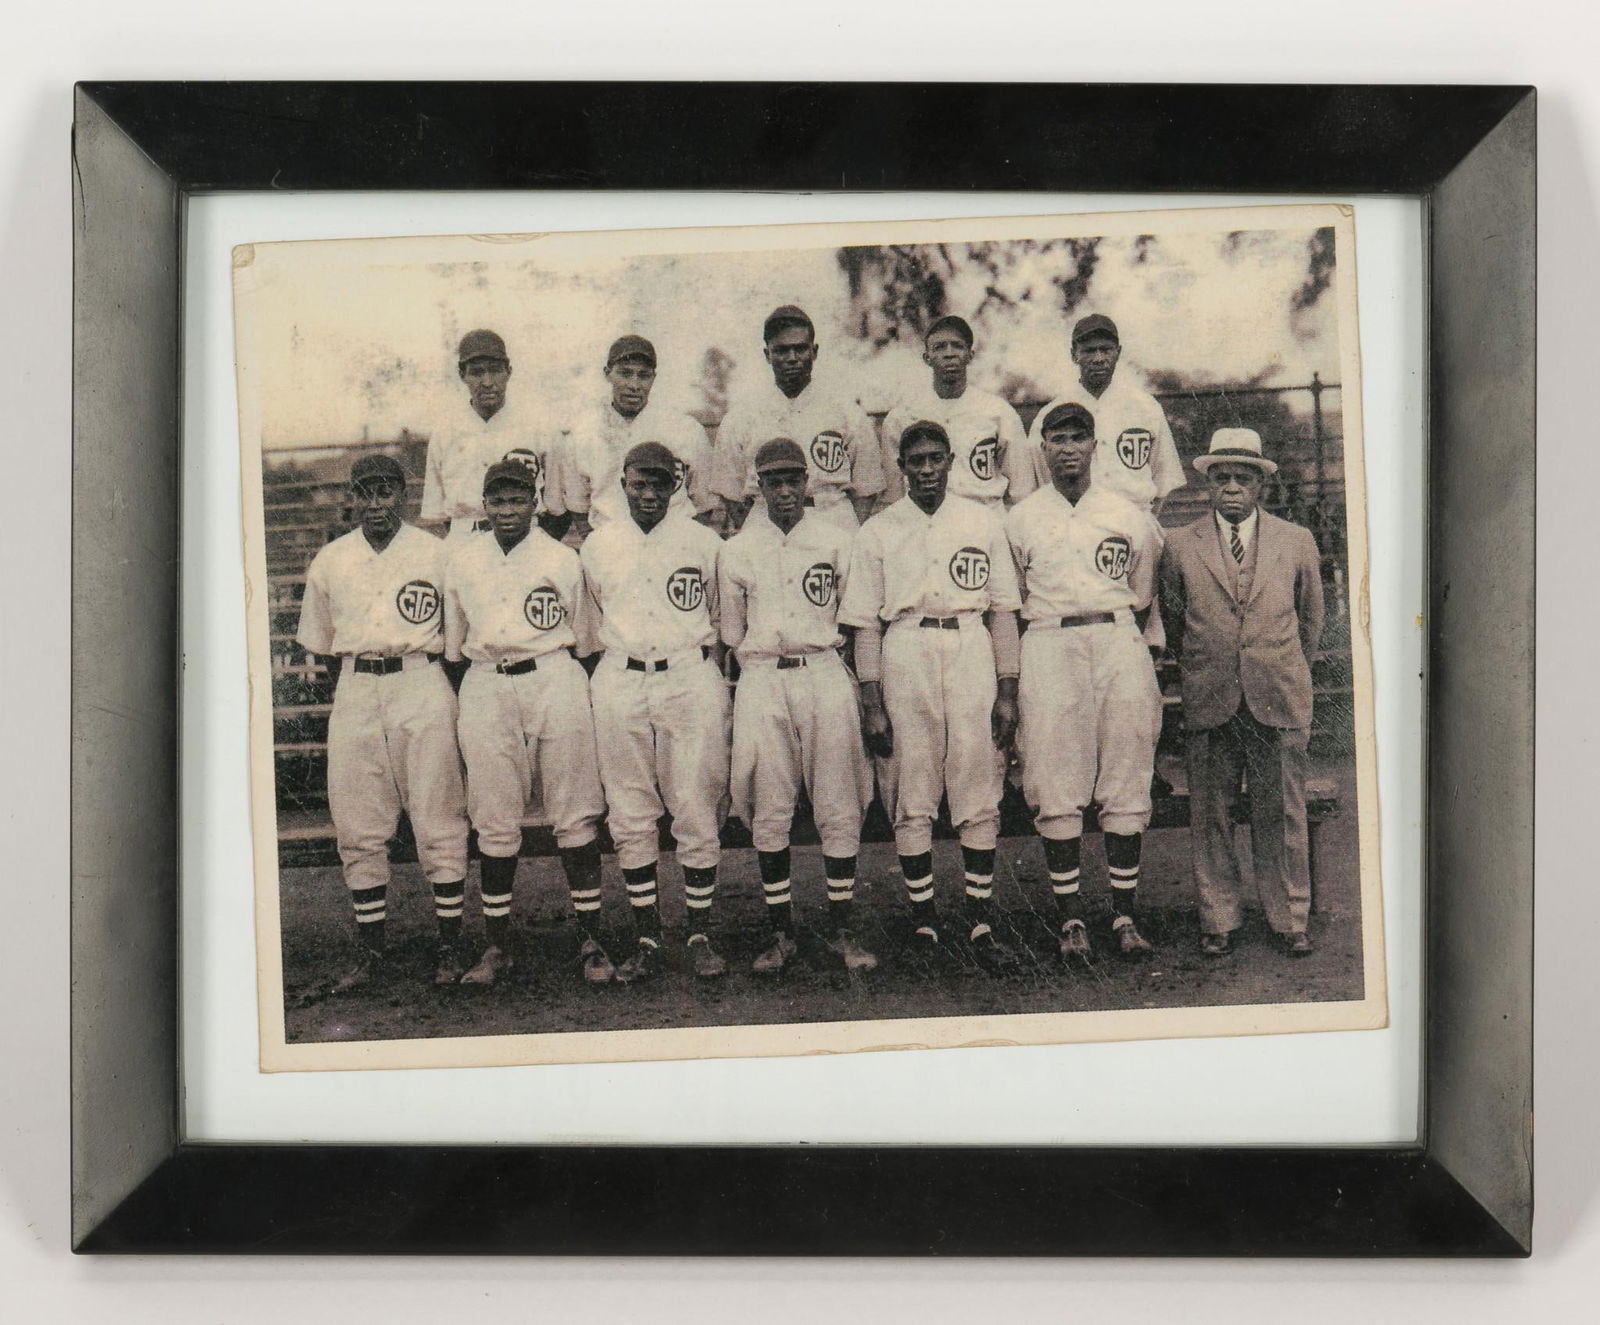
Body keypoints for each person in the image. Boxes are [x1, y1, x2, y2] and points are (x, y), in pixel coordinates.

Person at [838, 419, 1023, 973]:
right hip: (905, 648)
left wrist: (1008, 691)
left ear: (950, 460)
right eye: (915, 461)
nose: (925, 470)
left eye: (934, 459)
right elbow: (864, 624)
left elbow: (1003, 613)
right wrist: (872, 701)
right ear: (901, 466)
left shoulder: (982, 521)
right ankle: (923, 920)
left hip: (968, 645)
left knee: (977, 778)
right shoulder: (878, 529)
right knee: (911, 785)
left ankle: (980, 919)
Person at [293, 454, 470, 989]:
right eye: (365, 493)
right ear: (352, 497)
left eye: (386, 492)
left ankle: (450, 946)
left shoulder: (437, 554)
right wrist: (354, 682)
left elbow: (457, 642)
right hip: (357, 683)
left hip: (419, 677)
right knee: (358, 821)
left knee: (438, 816)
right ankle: (372, 952)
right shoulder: (330, 559)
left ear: (403, 495)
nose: (376, 503)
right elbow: (320, 645)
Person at [441, 461, 615, 986]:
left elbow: (585, 641)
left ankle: (593, 938)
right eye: (497, 499)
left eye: (517, 498)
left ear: (535, 502)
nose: (507, 509)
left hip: (553, 676)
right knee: (494, 817)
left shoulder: (562, 559)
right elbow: (453, 646)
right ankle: (497, 945)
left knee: (575, 810)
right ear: (484, 505)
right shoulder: (463, 561)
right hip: (487, 680)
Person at [1158, 428, 1325, 957]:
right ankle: (1219, 918)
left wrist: (1274, 663)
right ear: (1207, 482)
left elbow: (1310, 621)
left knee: (1283, 810)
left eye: (1243, 476)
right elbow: (1175, 617)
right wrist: (1210, 664)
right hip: (1211, 693)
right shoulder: (1180, 544)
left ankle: (1289, 918)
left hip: (1276, 692)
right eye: (1222, 476)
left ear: (1261, 485)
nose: (1232, 486)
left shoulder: (1295, 541)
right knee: (1211, 812)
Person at [1007, 403, 1164, 962]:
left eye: (1078, 437)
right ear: (1042, 448)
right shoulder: (1020, 518)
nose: (1068, 448)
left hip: (1116, 634)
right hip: (1049, 640)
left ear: (1095, 445)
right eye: (1057, 439)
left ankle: (1124, 914)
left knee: (1125, 767)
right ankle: (1070, 917)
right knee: (1054, 774)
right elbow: (1017, 592)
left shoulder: (1126, 514)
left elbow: (1142, 591)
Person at [719, 437, 877, 974]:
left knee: (838, 802)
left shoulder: (835, 540)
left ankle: (841, 929)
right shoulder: (738, 549)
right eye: (773, 481)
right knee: (770, 807)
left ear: (807, 483)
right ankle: (781, 932)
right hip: (764, 675)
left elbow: (854, 622)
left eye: (792, 480)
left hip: (823, 670)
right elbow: (734, 632)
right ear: (758, 488)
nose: (784, 490)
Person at [579, 441, 731, 981]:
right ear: (622, 485)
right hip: (621, 675)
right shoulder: (598, 546)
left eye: (659, 483)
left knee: (694, 803)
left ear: (677, 485)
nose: (648, 493)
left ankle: (699, 933)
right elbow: (589, 623)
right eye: (638, 484)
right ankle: (646, 936)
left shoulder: (704, 542)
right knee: (630, 810)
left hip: (687, 672)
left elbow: (721, 619)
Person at [711, 305, 884, 532]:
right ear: (768, 355)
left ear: (814, 351)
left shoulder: (845, 412)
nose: (792, 358)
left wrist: (845, 531)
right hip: (766, 520)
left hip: (829, 516)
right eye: (781, 351)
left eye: (800, 349)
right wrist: (756, 528)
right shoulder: (742, 416)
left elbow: (866, 487)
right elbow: (730, 490)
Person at [555, 334, 717, 540]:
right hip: (611, 544)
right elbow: (578, 506)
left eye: (643, 375)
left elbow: (703, 504)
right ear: (607, 374)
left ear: (653, 377)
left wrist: (685, 546)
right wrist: (596, 549)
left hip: (673, 543)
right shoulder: (584, 433)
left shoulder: (685, 429)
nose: (634, 384)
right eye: (625, 373)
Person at [420, 329, 567, 543]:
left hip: (527, 537)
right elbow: (438, 514)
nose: (488, 382)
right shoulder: (445, 432)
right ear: (462, 375)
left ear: (509, 371)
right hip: (465, 537)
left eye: (495, 371)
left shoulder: (540, 427)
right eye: (477, 372)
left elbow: (556, 507)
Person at [1028, 314, 1185, 513]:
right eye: (1089, 351)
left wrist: (1145, 525)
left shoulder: (1145, 407)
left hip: (1135, 516)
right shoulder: (1050, 414)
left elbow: (1163, 480)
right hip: (1074, 519)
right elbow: (1041, 479)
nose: (1099, 358)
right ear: (1074, 355)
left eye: (1106, 349)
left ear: (1118, 352)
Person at [878, 315, 1036, 510]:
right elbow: (894, 493)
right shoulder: (902, 416)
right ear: (927, 358)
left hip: (984, 516)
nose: (949, 353)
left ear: (970, 355)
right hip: (927, 520)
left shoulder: (999, 412)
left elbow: (1021, 490)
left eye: (957, 346)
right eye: (940, 347)